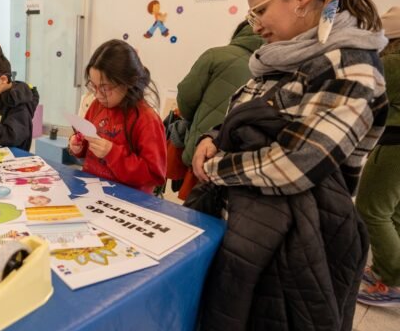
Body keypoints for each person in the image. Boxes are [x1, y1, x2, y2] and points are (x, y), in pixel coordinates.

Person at [192, 0, 388, 331]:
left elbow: (296, 164)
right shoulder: (287, 57)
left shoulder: (352, 67)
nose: (254, 23)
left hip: (294, 230)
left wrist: (216, 167)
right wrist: (209, 136)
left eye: (261, 9)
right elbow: (247, 115)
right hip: (246, 217)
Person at [174, 21, 263, 198]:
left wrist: (196, 123)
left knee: (193, 210)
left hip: (203, 150)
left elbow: (186, 98)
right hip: (244, 160)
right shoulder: (272, 67)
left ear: (238, 33)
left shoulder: (215, 56)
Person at [67, 39, 166, 194]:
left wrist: (112, 153)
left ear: (128, 82)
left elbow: (154, 175)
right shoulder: (96, 106)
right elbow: (87, 144)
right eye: (93, 86)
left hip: (128, 201)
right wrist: (78, 145)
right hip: (92, 192)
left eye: (105, 88)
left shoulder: (146, 119)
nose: (98, 94)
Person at [355, 6, 400, 306]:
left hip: (394, 145)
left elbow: (364, 96)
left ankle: (391, 280)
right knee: (395, 212)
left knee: (372, 210)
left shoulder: (394, 63)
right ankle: (388, 270)